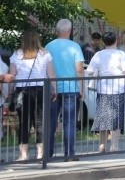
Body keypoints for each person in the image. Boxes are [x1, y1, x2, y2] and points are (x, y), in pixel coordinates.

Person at [9, 30, 55, 161]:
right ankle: (41, 154)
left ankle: (24, 155)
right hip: (40, 89)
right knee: (40, 122)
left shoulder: (16, 54)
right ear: (37, 40)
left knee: (24, 123)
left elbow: (13, 76)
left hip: (22, 90)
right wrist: (55, 89)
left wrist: (11, 92)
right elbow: (51, 74)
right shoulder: (45, 54)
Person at [88, 31, 125, 153]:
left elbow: (90, 70)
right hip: (120, 89)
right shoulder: (120, 54)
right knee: (117, 117)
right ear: (116, 41)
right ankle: (114, 145)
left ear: (103, 42)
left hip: (103, 89)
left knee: (102, 117)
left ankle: (102, 145)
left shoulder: (98, 54)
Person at [45, 19, 85, 161]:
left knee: (51, 121)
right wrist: (82, 88)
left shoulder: (48, 46)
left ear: (57, 30)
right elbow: (79, 70)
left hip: (52, 88)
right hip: (71, 87)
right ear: (70, 30)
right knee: (70, 122)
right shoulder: (75, 47)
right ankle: (69, 153)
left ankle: (47, 153)